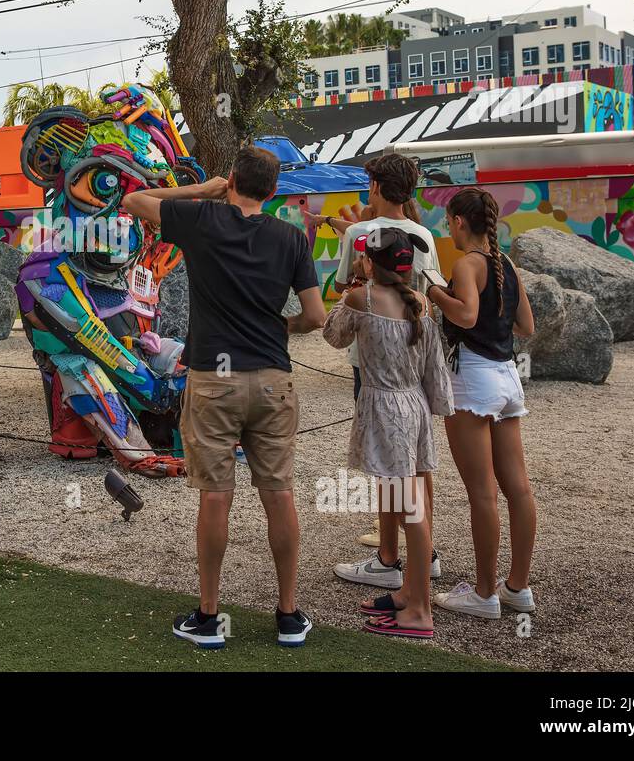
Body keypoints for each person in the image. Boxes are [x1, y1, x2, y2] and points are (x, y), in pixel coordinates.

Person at [124, 145, 326, 650]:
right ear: (273, 191)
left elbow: (134, 199)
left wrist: (201, 189)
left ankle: (210, 615)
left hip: (213, 379)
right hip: (273, 377)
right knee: (278, 492)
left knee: (216, 495)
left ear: (230, 179)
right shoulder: (290, 238)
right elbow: (316, 316)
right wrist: (284, 327)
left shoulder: (203, 220)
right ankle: (288, 614)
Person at [308, 153, 442, 589]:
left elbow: (345, 287)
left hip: (374, 366)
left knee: (386, 465)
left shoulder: (361, 235)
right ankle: (425, 551)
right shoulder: (423, 234)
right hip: (413, 359)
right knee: (418, 463)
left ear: (377, 187)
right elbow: (428, 290)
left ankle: (389, 556)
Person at [322, 227, 452, 638]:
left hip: (387, 411)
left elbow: (333, 335)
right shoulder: (420, 304)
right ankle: (409, 591)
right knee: (405, 500)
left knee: (410, 509)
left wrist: (345, 295)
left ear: (369, 262)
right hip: (413, 408)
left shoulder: (361, 299)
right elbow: (434, 368)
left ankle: (420, 611)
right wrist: (439, 408)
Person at [425, 187, 538, 619]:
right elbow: (526, 325)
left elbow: (466, 315)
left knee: (482, 492)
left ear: (458, 221)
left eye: (448, 222)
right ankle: (518, 587)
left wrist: (436, 292)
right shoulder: (506, 263)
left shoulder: (467, 264)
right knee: (518, 488)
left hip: (472, 379)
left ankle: (485, 593)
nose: (448, 229)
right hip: (507, 376)